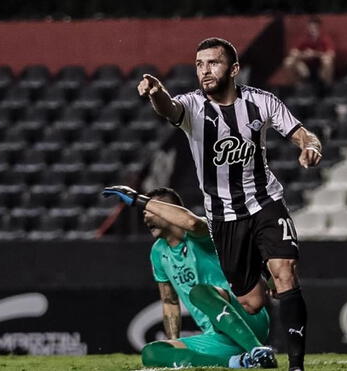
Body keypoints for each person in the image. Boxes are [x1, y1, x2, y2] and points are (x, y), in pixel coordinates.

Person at [137, 37, 322, 371]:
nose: (205, 71)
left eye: (213, 63)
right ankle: (251, 335)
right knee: (250, 302)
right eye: (199, 64)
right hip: (224, 217)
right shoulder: (192, 106)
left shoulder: (261, 102)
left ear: (233, 69)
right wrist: (156, 93)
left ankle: (296, 366)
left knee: (286, 271)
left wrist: (309, 146)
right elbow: (168, 109)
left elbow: (302, 133)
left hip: (265, 201)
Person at [103, 186, 277, 369]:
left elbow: (191, 223)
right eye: (144, 212)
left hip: (247, 319)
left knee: (199, 292)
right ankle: (239, 362)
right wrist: (173, 343)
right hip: (216, 337)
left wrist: (138, 198)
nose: (145, 217)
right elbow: (169, 301)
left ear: (168, 211)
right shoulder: (158, 252)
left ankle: (258, 350)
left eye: (150, 211)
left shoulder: (201, 235)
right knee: (152, 353)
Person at [284, 16, 335, 85]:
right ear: (308, 27)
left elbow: (332, 54)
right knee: (288, 62)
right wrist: (304, 54)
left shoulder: (325, 37)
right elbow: (293, 52)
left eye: (315, 28)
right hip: (305, 66)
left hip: (320, 67)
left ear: (319, 28)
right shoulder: (303, 37)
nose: (313, 30)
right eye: (311, 27)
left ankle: (327, 87)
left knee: (327, 60)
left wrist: (315, 54)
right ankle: (293, 87)